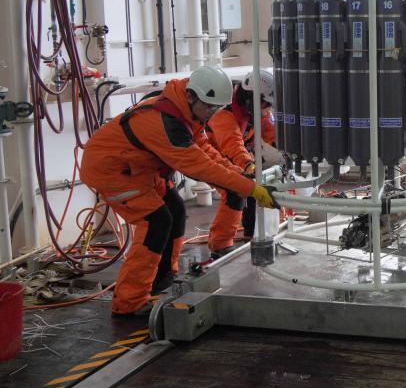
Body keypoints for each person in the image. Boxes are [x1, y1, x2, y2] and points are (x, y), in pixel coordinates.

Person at [80, 66, 275, 318]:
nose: (212, 113)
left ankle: (163, 277)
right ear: (192, 96)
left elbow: (205, 149)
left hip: (140, 170)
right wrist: (250, 188)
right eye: (209, 107)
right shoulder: (164, 122)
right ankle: (129, 302)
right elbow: (200, 166)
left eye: (217, 108)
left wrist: (240, 174)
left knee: (176, 210)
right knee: (156, 221)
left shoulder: (186, 111)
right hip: (113, 171)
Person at [206, 70, 278, 258]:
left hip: (239, 155)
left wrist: (286, 151)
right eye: (265, 104)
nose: (267, 109)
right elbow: (233, 145)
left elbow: (271, 132)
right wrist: (248, 166)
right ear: (252, 98)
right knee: (234, 193)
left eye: (268, 106)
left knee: (255, 186)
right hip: (211, 156)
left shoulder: (255, 111)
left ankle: (252, 234)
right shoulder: (224, 113)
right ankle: (220, 245)